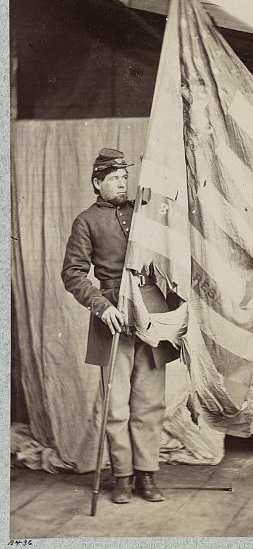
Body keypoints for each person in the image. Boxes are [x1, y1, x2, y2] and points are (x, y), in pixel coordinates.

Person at [61, 148, 178, 504]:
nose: (122, 184)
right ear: (97, 183)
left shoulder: (146, 213)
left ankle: (147, 476)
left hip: (151, 315)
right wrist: (101, 306)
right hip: (112, 319)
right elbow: (73, 274)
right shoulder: (86, 221)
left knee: (150, 400)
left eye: (125, 178)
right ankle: (123, 478)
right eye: (114, 179)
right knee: (116, 405)